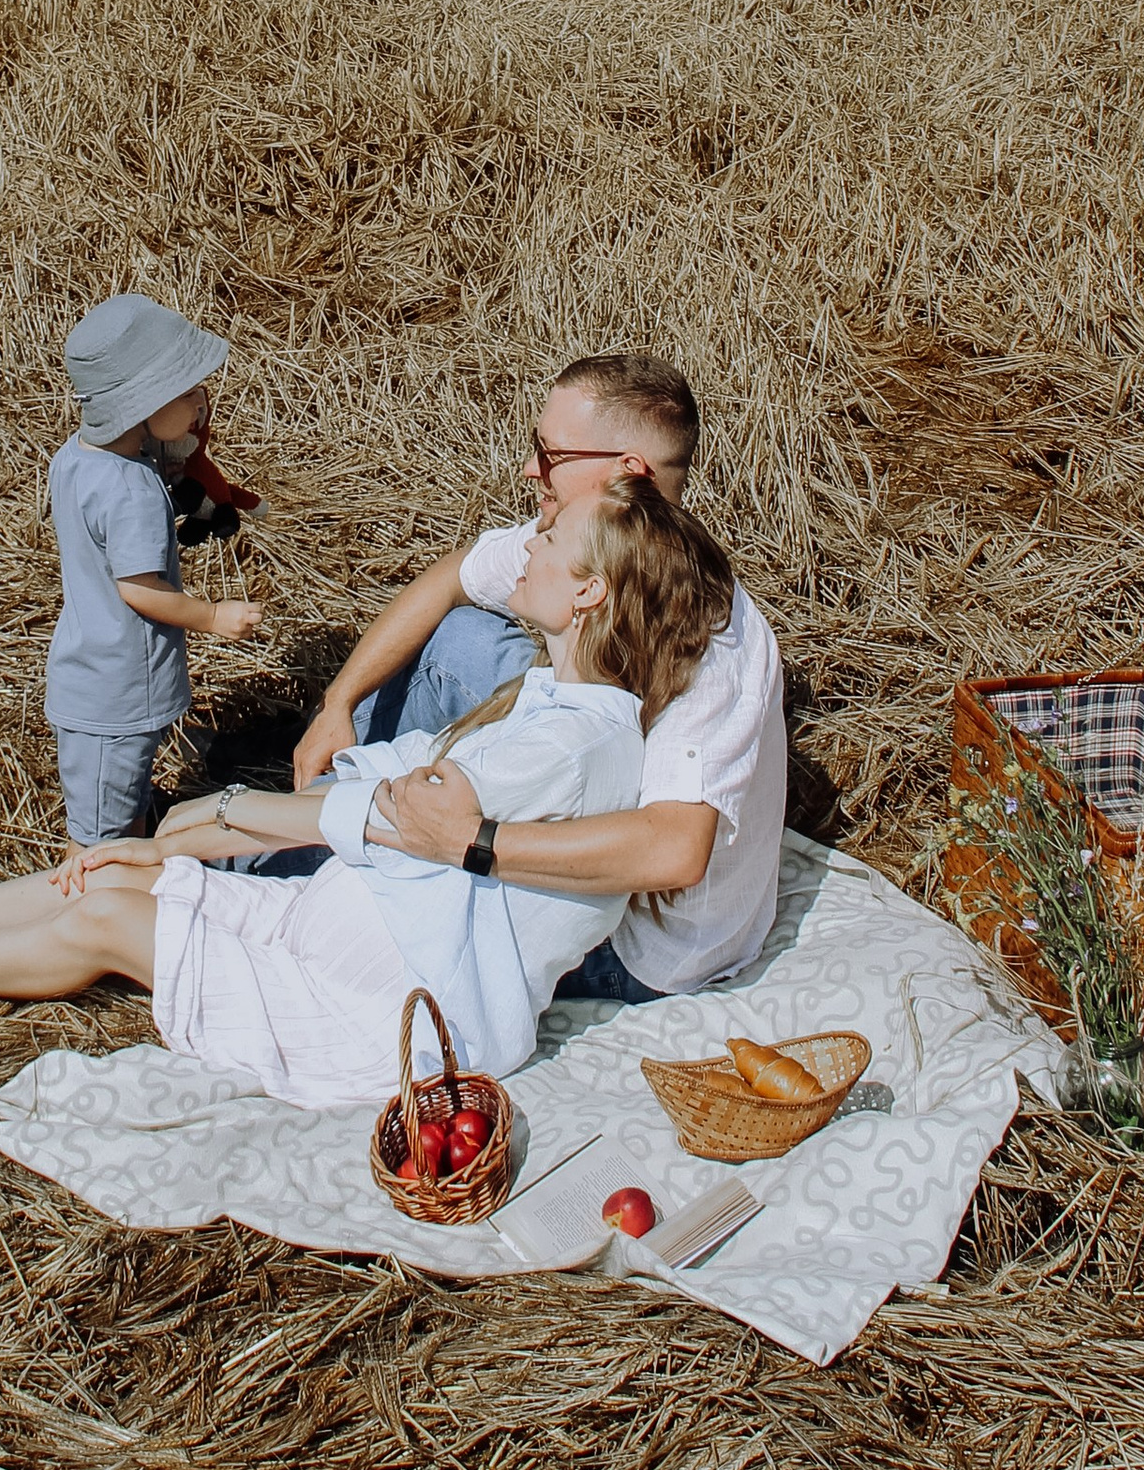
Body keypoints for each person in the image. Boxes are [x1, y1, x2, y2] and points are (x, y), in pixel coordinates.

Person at [0, 479, 732, 1106]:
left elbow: (382, 816)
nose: (525, 547)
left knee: (109, 915)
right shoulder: (547, 703)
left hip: (383, 1009)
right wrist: (186, 837)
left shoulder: (566, 745)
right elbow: (390, 784)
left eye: (549, 540)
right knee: (109, 878)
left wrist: (205, 827)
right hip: (348, 932)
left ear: (590, 593)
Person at [278, 350, 785, 1001]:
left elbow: (674, 852)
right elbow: (452, 576)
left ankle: (281, 860)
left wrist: (473, 842)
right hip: (587, 773)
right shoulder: (587, 538)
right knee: (462, 639)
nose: (530, 469)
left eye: (552, 455)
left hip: (637, 940)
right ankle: (324, 786)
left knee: (393, 883)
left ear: (627, 472)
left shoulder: (713, 638)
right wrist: (337, 704)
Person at [43, 290, 261, 845]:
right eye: (188, 394)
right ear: (145, 402)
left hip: (89, 666)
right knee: (100, 836)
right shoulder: (133, 491)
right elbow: (139, 588)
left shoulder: (75, 459)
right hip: (117, 694)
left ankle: (131, 853)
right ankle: (94, 910)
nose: (201, 405)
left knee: (127, 798)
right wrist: (213, 616)